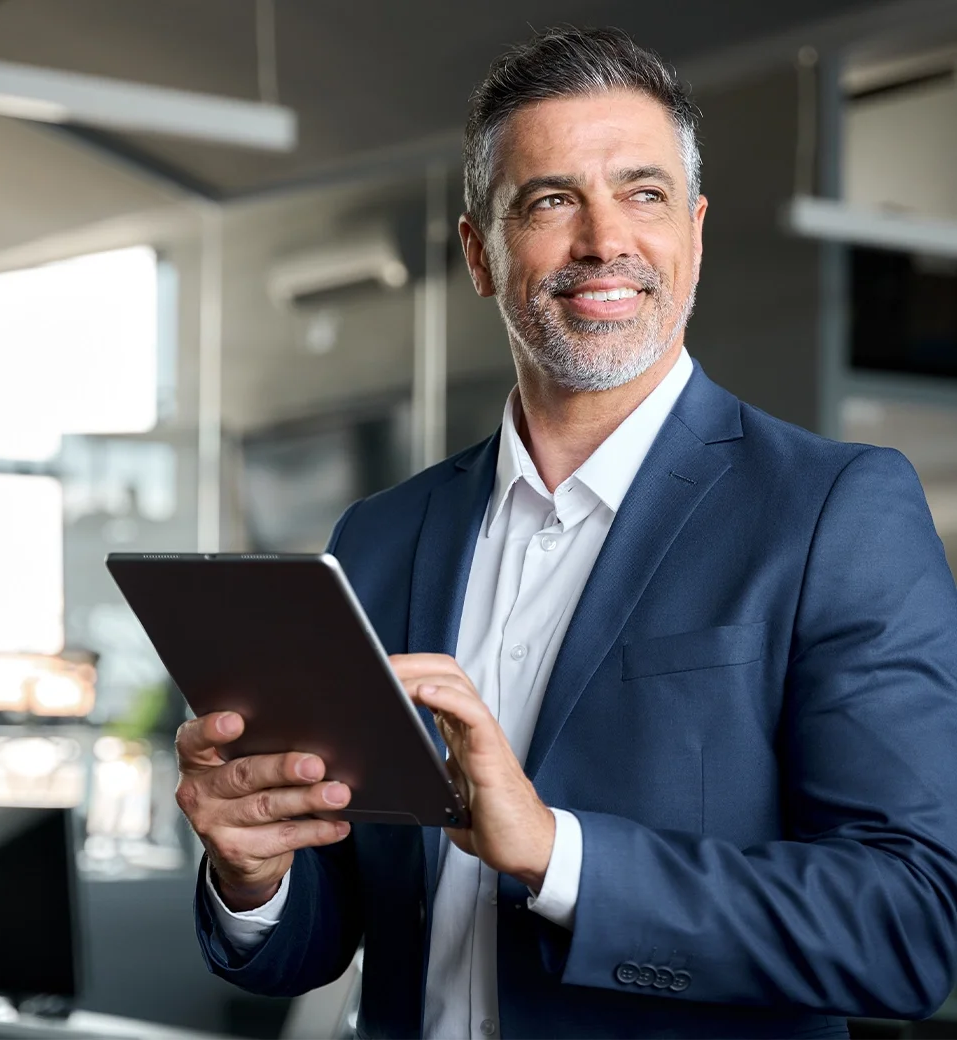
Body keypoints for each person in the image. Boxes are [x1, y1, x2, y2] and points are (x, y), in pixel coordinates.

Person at [174, 26, 957, 1040]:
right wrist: (253, 869)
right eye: (550, 200)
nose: (603, 240)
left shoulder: (833, 510)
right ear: (479, 254)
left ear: (695, 232)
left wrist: (557, 854)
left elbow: (905, 925)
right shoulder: (380, 536)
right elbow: (328, 929)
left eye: (644, 194)